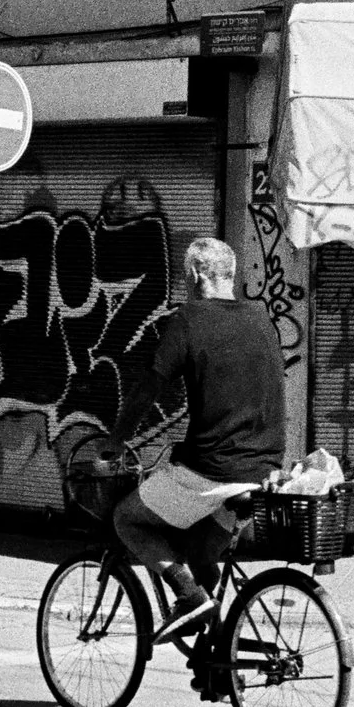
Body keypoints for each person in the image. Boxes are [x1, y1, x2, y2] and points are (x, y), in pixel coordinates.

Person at [111, 236, 286, 642]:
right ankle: (219, 659)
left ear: (193, 275)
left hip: (213, 470)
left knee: (127, 518)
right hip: (262, 471)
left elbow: (148, 387)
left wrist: (116, 440)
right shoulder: (262, 317)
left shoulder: (190, 319)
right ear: (232, 273)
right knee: (201, 551)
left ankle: (189, 597)